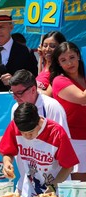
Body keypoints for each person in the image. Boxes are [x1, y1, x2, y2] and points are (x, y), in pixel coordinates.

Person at [0, 102, 78, 197]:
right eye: (23, 133)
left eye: (31, 132)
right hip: (29, 192)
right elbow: (8, 152)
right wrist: (7, 162)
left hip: (57, 192)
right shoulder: (14, 126)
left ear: (39, 121)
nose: (27, 136)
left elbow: (69, 166)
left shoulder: (56, 133)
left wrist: (52, 187)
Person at [50, 41, 86, 181]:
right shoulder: (59, 80)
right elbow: (82, 98)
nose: (69, 63)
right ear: (58, 63)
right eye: (63, 60)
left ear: (78, 55)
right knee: (81, 186)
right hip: (75, 140)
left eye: (72, 57)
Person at [9, 69, 70, 136]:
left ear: (33, 90)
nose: (15, 97)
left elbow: (63, 138)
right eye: (13, 93)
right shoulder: (15, 108)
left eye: (19, 93)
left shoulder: (52, 107)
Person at [36, 31, 66, 96]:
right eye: (45, 45)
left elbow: (48, 94)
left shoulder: (59, 70)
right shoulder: (46, 64)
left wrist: (29, 88)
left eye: (52, 46)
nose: (47, 49)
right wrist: (41, 56)